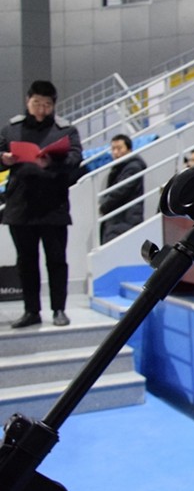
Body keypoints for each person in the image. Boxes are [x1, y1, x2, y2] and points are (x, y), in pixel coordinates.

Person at [0, 80, 83, 328]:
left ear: (53, 105)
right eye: (37, 103)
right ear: (28, 101)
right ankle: (31, 311)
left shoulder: (65, 130)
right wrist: (4, 159)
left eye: (47, 104)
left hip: (53, 207)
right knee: (26, 262)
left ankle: (59, 309)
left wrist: (52, 164)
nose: (41, 109)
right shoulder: (12, 129)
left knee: (56, 260)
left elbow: (76, 158)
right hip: (20, 206)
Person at [99, 133, 146, 243]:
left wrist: (104, 204)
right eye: (113, 149)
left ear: (129, 149)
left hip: (125, 219)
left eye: (119, 148)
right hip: (117, 220)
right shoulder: (119, 168)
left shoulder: (133, 167)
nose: (115, 152)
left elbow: (121, 190)